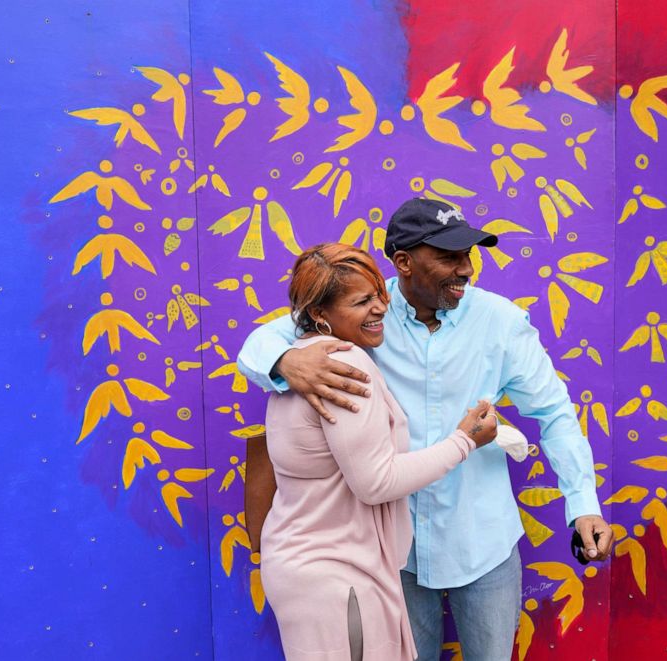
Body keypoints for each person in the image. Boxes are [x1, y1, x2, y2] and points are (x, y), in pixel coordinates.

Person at [240, 198, 613, 660]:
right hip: (395, 554)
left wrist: (583, 505)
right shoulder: (365, 316)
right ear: (404, 263)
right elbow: (263, 340)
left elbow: (555, 413)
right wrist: (284, 359)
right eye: (449, 257)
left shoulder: (501, 322)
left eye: (468, 255)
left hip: (482, 542)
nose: (466, 269)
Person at [259, 243, 499, 661]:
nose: (380, 308)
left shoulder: (298, 364)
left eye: (379, 295)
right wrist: (463, 442)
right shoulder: (344, 367)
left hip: (310, 569)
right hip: (337, 575)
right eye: (362, 301)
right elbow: (376, 481)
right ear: (320, 315)